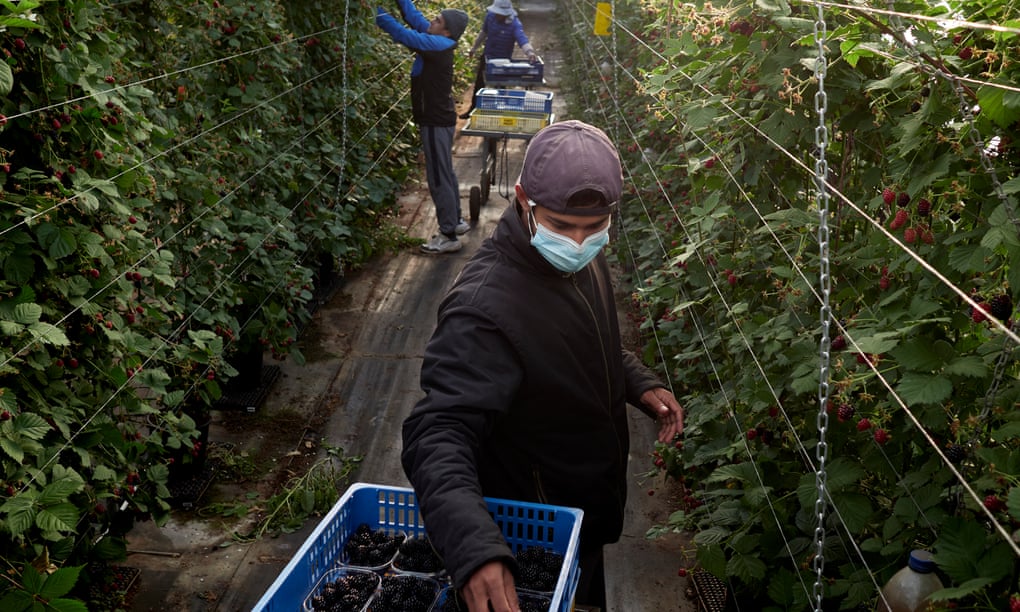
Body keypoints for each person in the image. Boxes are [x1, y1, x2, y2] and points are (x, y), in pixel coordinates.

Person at [401, 120, 685, 611]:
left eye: (594, 228)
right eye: (560, 226)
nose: (578, 242)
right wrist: (474, 549)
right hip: (533, 531)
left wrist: (637, 382)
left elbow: (583, 338)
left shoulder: (576, 258)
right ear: (522, 199)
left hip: (582, 512)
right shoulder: (484, 309)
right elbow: (437, 432)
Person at [375, 0, 472, 254]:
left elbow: (403, 33)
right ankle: (457, 221)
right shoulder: (438, 37)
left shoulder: (437, 46)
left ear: (447, 31)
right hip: (441, 118)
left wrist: (373, 12)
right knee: (445, 171)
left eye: (438, 20)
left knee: (438, 176)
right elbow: (415, 19)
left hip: (434, 121)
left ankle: (448, 235)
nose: (432, 20)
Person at [458, 0, 538, 119]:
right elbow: (483, 33)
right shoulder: (490, 17)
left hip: (503, 62)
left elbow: (522, 39)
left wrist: (530, 52)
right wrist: (474, 48)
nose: (497, 15)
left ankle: (499, 114)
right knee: (479, 84)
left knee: (500, 87)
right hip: (487, 57)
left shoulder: (515, 24)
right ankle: (473, 109)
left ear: (506, 13)